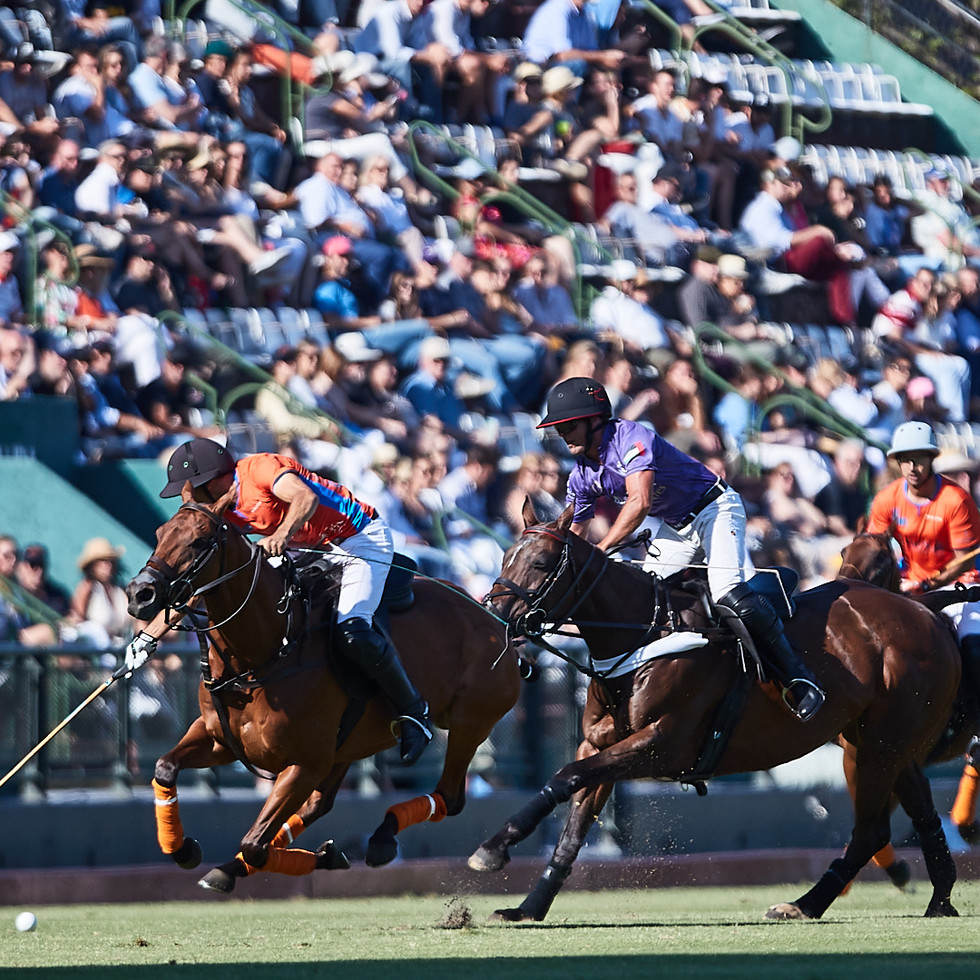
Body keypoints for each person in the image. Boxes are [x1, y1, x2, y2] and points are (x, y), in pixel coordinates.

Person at [536, 376, 825, 721]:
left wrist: (603, 548)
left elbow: (640, 502)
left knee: (727, 593)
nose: (563, 434)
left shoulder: (631, 437)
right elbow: (573, 535)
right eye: (559, 428)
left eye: (568, 426)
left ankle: (797, 677)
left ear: (595, 420)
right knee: (643, 602)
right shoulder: (581, 474)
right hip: (676, 526)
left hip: (715, 509)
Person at [156, 438, 432, 764]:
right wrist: (149, 636)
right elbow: (200, 584)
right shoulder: (222, 511)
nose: (193, 500)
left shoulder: (260, 469)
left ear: (210, 481)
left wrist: (282, 535)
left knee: (352, 630)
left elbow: (306, 497)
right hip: (313, 548)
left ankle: (414, 711)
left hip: (358, 539)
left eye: (194, 491)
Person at [865, 421, 980, 769]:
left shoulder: (955, 500)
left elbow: (966, 559)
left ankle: (977, 730)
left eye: (919, 459)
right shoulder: (887, 499)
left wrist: (929, 583)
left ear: (931, 459)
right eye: (905, 460)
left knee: (973, 646)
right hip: (907, 586)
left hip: (958, 587)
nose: (913, 467)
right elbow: (873, 547)